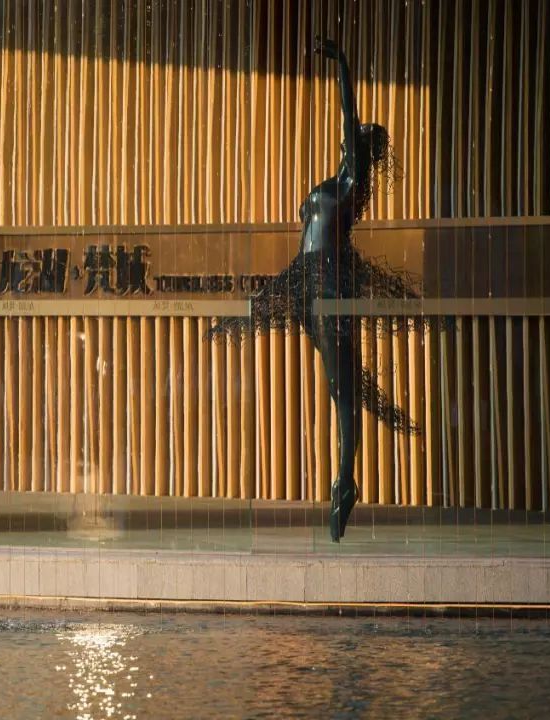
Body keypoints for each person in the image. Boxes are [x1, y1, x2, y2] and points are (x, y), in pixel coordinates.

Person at [210, 37, 421, 542]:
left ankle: (345, 481)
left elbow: (348, 114)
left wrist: (343, 64)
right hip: (305, 278)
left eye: (354, 139)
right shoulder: (337, 180)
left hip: (326, 282)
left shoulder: (351, 183)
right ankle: (346, 479)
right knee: (336, 383)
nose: (346, 142)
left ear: (363, 151)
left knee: (343, 387)